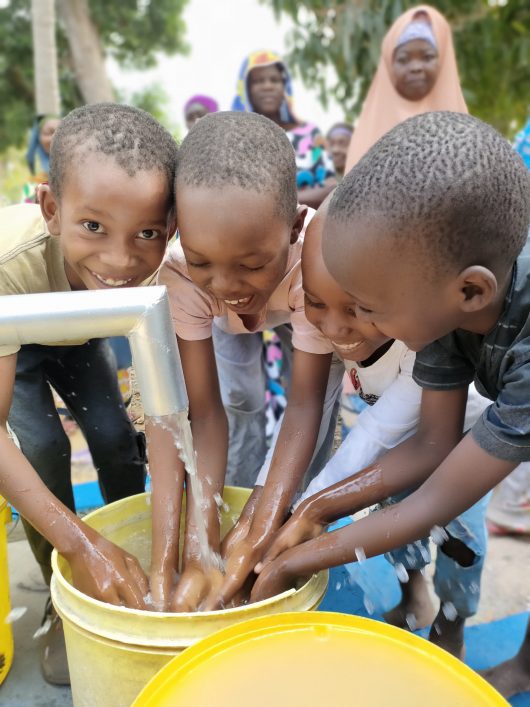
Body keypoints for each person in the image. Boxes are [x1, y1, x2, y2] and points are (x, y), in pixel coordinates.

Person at [251, 110, 530, 698]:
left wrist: (298, 559)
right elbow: (430, 444)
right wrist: (313, 511)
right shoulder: (450, 312)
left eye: (370, 307)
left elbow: (436, 498)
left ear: (471, 290)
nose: (361, 325)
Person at [257, 201, 493, 657]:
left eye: (358, 308)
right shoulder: (334, 322)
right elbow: (306, 409)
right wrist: (273, 502)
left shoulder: (424, 342)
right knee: (392, 520)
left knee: (461, 542)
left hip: (466, 450)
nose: (333, 326)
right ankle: (412, 594)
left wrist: (308, 509)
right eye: (316, 304)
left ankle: (453, 618)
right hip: (401, 446)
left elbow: (376, 434)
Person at [0, 102, 178, 683]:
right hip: (14, 340)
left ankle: (131, 552)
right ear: (51, 210)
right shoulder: (11, 265)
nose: (120, 259)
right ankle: (63, 585)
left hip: (78, 337)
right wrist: (79, 545)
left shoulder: (163, 270)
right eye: (93, 227)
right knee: (41, 450)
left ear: (170, 227)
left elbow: (169, 409)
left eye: (147, 233)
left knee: (113, 438)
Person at [154, 111, 344, 612]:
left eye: (251, 263)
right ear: (179, 234)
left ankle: (291, 507)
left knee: (319, 417)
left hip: (299, 297)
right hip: (219, 322)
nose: (226, 283)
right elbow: (205, 412)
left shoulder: (313, 265)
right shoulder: (183, 279)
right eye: (202, 260)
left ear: (295, 225)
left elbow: (304, 404)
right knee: (241, 400)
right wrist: (202, 539)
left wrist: (265, 520)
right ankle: (243, 491)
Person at [345, 5, 466, 173]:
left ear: (443, 61)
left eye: (427, 57)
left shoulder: (465, 137)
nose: (415, 67)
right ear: (389, 66)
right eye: (403, 59)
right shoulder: (367, 137)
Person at [232, 49, 336, 209]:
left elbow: (331, 187)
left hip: (307, 229)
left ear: (284, 86)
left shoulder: (310, 134)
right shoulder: (236, 139)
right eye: (259, 81)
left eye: (274, 80)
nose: (268, 86)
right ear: (246, 89)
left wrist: (279, 203)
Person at [22, 114, 61, 202]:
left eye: (60, 133)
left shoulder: (76, 174)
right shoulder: (30, 186)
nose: (54, 138)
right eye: (48, 133)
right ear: (38, 137)